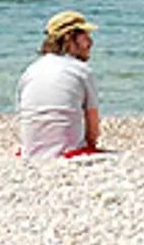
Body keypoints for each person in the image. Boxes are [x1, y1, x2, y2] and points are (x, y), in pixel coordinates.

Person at [17, 9, 101, 157]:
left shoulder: (30, 71)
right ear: (69, 39)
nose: (90, 42)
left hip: (29, 151)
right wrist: (91, 144)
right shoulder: (82, 71)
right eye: (85, 36)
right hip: (68, 152)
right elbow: (93, 127)